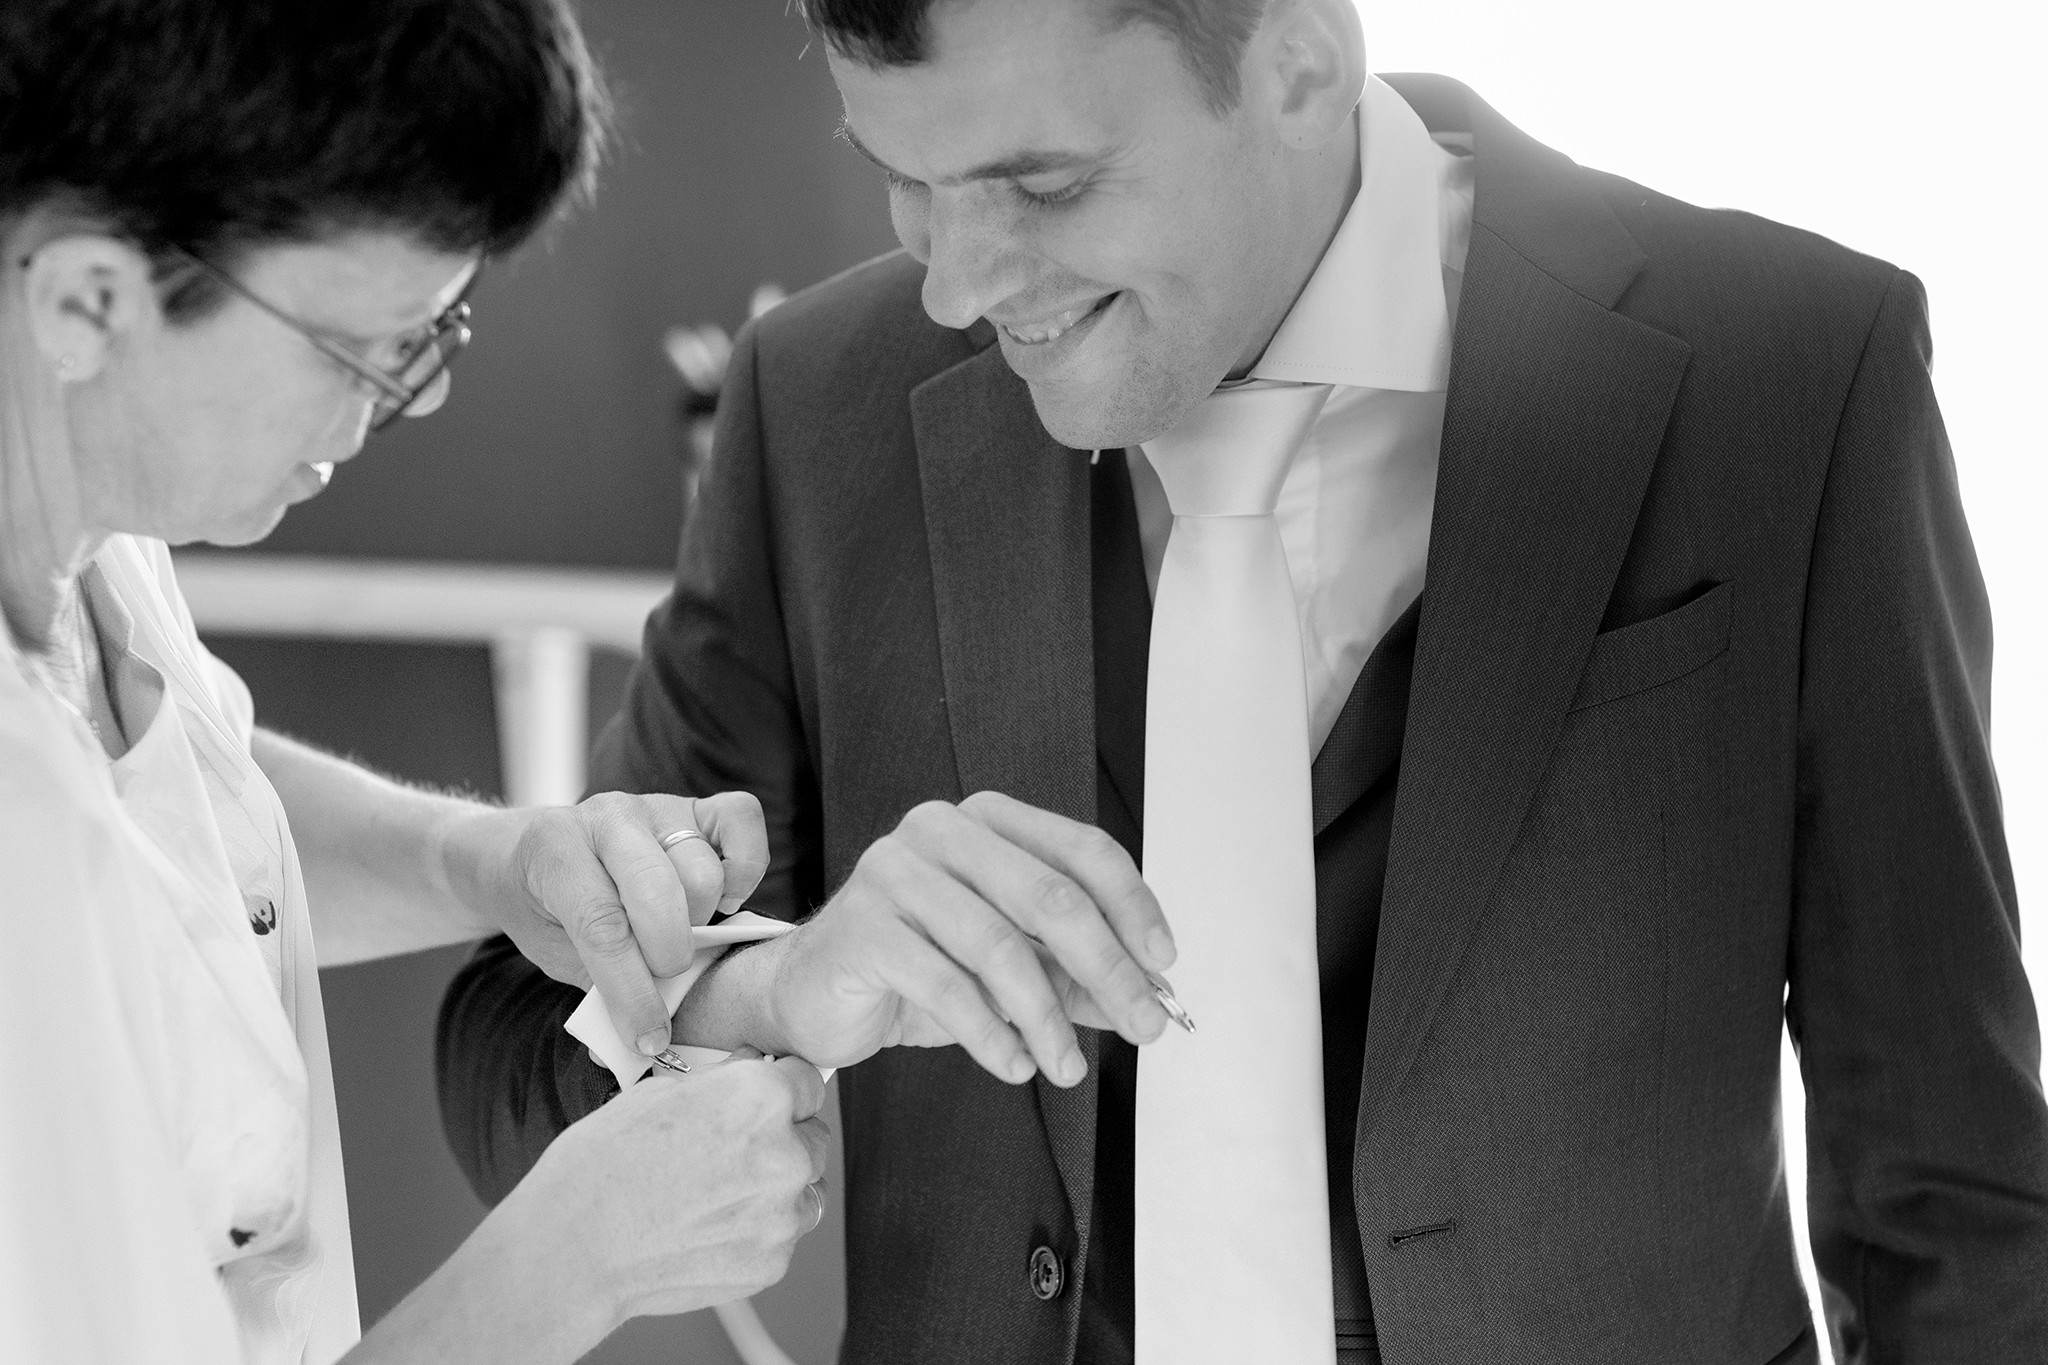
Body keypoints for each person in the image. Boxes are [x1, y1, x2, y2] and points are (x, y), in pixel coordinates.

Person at [440, 1, 2048, 1362]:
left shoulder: (1791, 373)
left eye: (1046, 184)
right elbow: (513, 1050)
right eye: (906, 184)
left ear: (1297, 63)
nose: (956, 286)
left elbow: (1953, 1194)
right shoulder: (821, 406)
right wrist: (768, 990)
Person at [0, 3, 831, 1362]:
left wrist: (490, 862)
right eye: (366, 348)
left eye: (439, 329)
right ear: (89, 300)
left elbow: (181, 815)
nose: (417, 397)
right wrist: (574, 1262)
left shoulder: (91, 527)